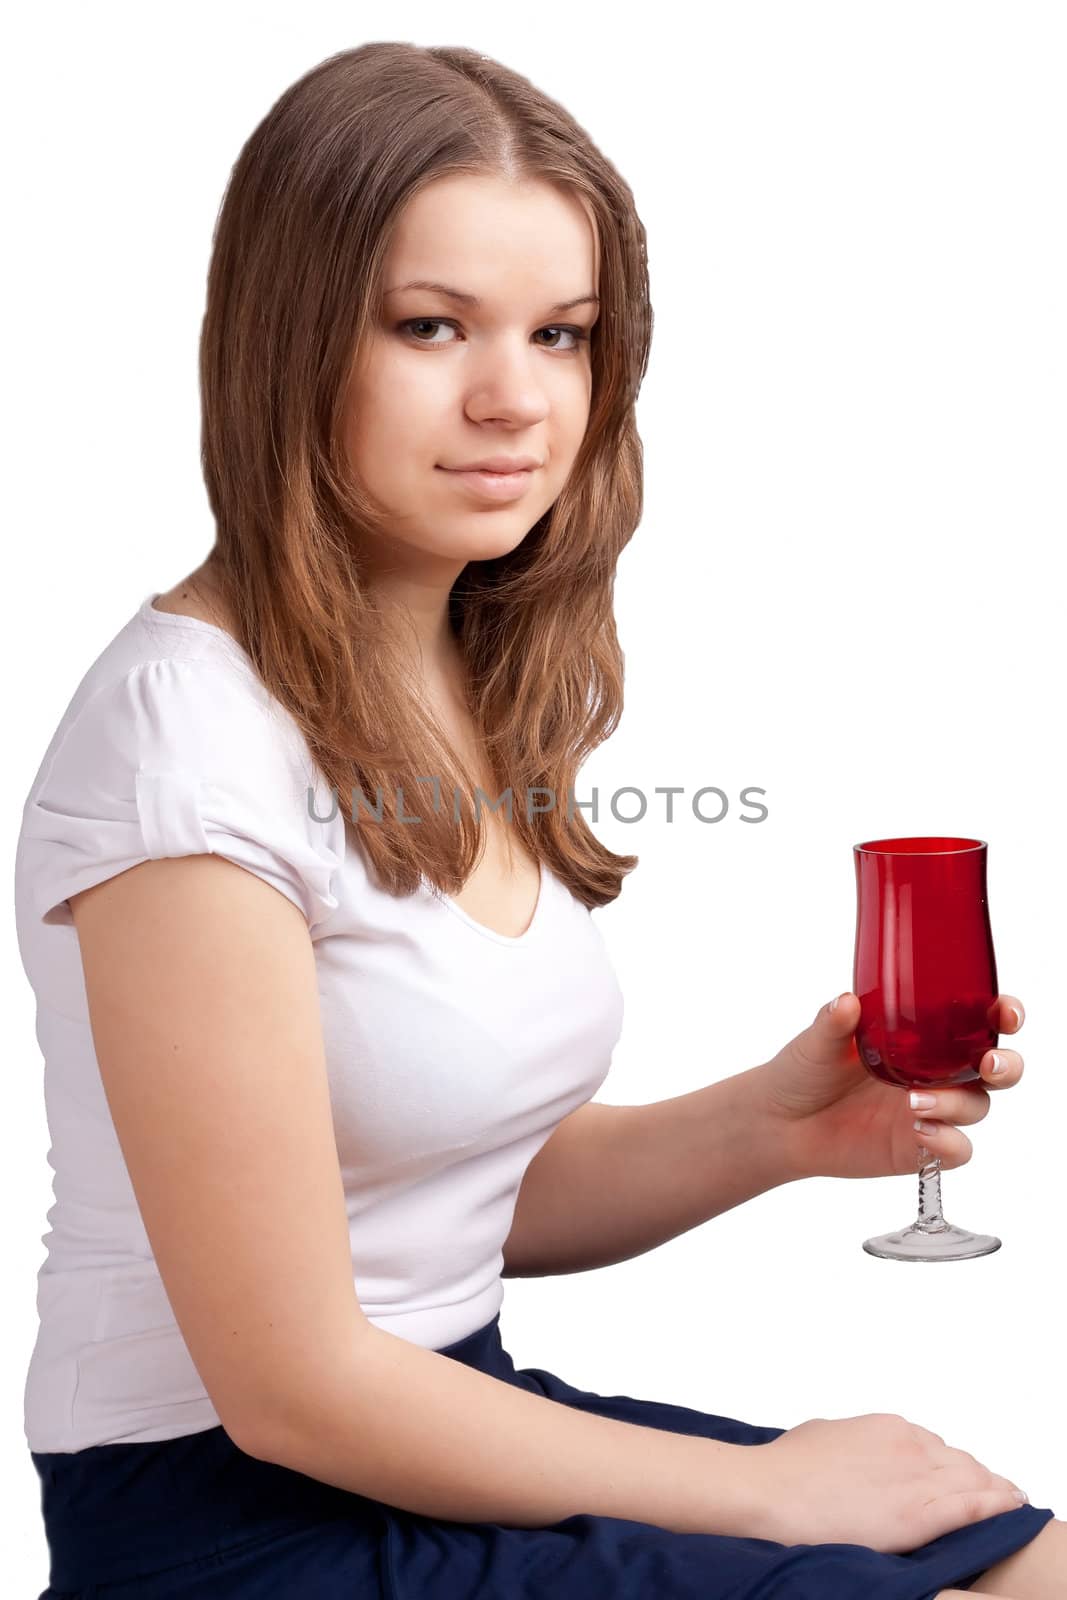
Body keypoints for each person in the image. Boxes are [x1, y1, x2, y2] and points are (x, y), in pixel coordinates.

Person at [13, 40, 1060, 1600]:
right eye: (432, 328)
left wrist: (773, 1128)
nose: (515, 401)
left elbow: (434, 1190)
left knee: (1028, 1557)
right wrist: (766, 1489)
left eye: (561, 335)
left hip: (445, 1416)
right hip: (232, 1511)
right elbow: (293, 1381)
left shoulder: (444, 663)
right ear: (284, 345)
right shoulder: (184, 757)